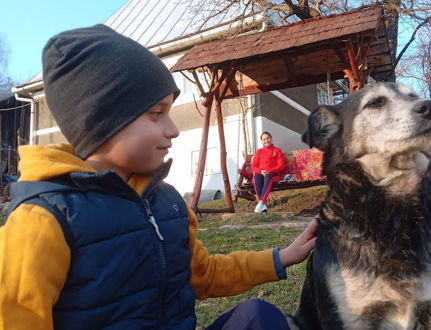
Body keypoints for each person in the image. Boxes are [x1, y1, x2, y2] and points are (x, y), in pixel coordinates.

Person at [0, 25, 318, 330]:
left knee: (258, 318)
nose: (174, 129)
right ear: (103, 119)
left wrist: (283, 256)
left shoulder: (166, 201)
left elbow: (203, 275)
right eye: (157, 113)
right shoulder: (43, 220)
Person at [251, 132, 286, 213]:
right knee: (256, 177)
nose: (266, 140)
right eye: (264, 139)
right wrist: (261, 171)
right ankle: (263, 207)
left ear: (271, 138)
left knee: (268, 177)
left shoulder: (277, 150)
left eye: (268, 138)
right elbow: (254, 166)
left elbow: (281, 165)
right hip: (261, 174)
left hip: (274, 175)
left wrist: (269, 171)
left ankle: (260, 203)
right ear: (262, 141)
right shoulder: (259, 151)